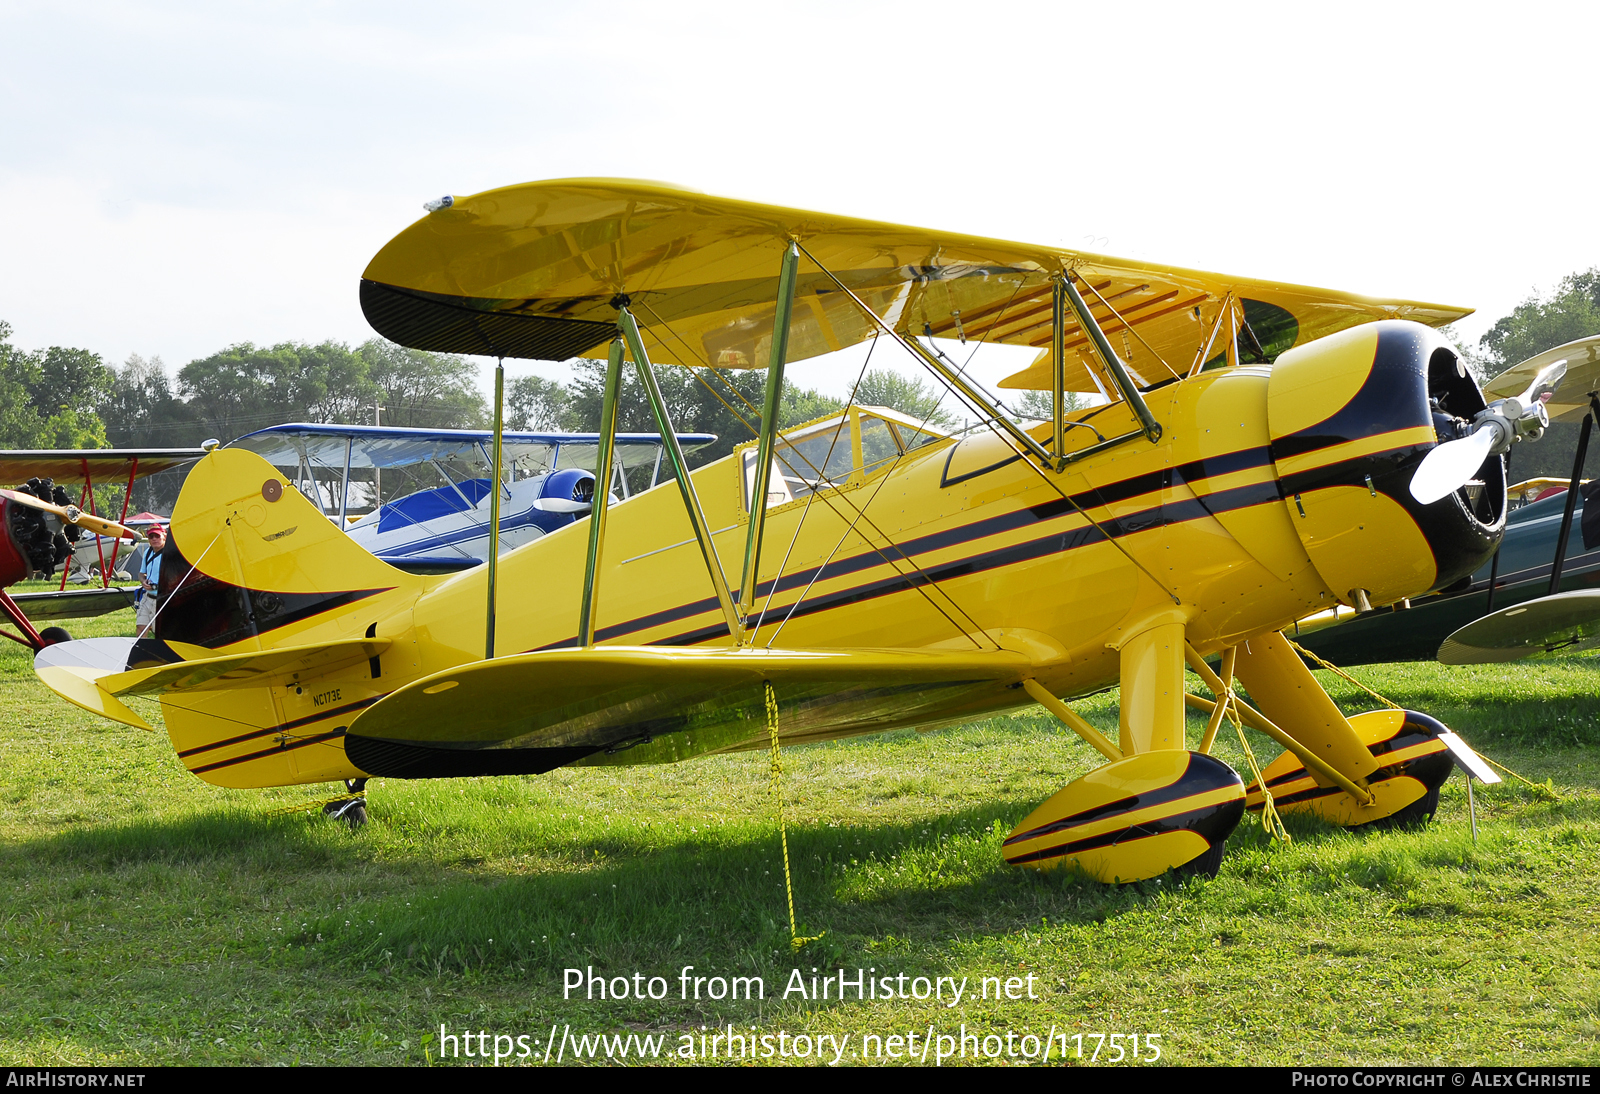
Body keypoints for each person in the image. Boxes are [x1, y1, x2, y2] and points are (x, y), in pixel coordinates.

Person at [135, 526, 166, 637]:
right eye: (151, 536)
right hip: (147, 597)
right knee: (141, 627)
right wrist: (143, 581)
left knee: (160, 632)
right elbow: (141, 573)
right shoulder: (147, 552)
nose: (154, 539)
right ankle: (140, 651)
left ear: (164, 536)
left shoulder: (169, 554)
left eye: (157, 536)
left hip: (162, 598)